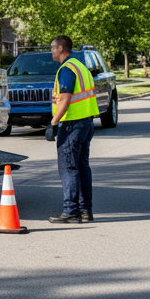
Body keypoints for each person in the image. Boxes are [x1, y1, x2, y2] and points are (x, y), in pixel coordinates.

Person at [45, 35, 98, 223]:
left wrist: (53, 123)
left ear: (61, 48)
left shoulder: (66, 69)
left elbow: (66, 99)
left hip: (72, 125)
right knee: (82, 166)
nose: (51, 50)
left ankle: (70, 211)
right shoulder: (81, 66)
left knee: (68, 167)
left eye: (52, 47)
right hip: (86, 123)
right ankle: (85, 210)